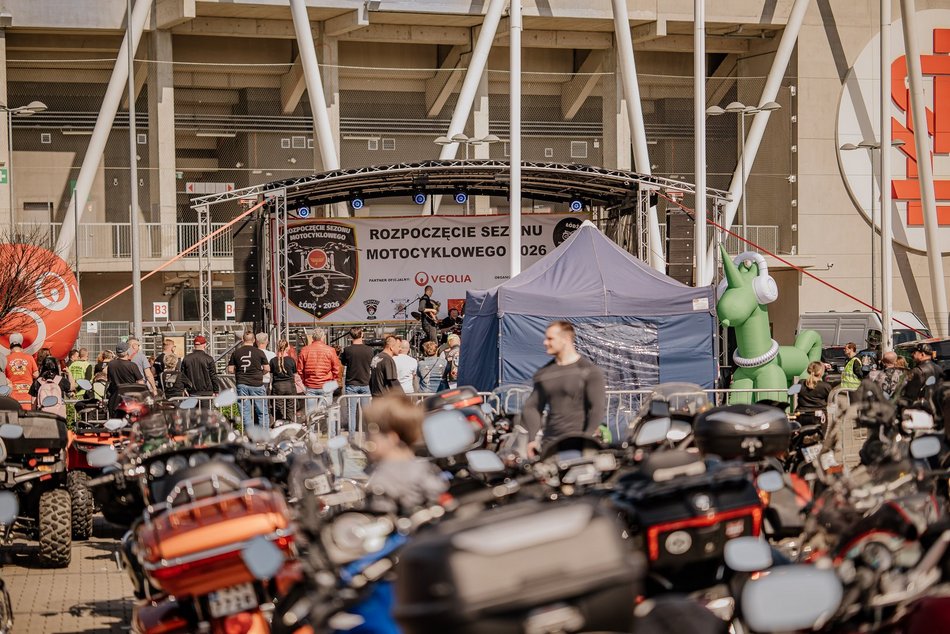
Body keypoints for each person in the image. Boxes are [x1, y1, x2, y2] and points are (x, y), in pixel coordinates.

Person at [522, 321, 606, 456]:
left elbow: (597, 407)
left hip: (579, 445)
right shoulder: (544, 374)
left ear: (566, 339)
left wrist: (587, 439)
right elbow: (531, 407)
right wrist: (532, 439)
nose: (545, 342)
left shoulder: (589, 371)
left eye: (550, 338)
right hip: (550, 446)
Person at [364, 395, 447, 513]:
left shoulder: (382, 479)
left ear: (390, 437)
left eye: (371, 430)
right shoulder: (426, 467)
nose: (367, 438)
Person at [228, 331, 271, 430]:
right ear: (254, 340)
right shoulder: (260, 352)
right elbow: (267, 368)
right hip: (257, 384)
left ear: (242, 340)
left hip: (242, 384)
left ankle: (250, 436)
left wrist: (239, 372)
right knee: (262, 412)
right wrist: (260, 373)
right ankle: (263, 436)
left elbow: (230, 370)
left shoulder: (236, 353)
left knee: (245, 412)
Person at [297, 327, 342, 418]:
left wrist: (305, 380)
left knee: (311, 414)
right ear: (323, 337)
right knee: (327, 413)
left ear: (312, 338)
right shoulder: (330, 350)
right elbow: (337, 369)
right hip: (326, 384)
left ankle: (311, 432)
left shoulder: (304, 350)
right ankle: (328, 431)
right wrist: (334, 381)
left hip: (310, 385)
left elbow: (300, 370)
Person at [340, 327, 374, 433]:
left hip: (351, 383)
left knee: (351, 411)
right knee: (367, 412)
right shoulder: (369, 350)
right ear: (362, 335)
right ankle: (369, 434)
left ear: (350, 336)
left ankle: (351, 437)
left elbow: (343, 362)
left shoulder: (347, 350)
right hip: (365, 383)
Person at [106, 341, 144, 418]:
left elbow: (109, 380)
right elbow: (141, 383)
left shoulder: (111, 364)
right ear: (127, 352)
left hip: (115, 398)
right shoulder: (132, 365)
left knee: (115, 424)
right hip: (129, 400)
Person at [181, 335, 219, 407]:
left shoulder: (187, 359)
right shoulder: (209, 359)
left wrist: (184, 388)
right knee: (205, 416)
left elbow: (183, 376)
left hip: (191, 392)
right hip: (206, 393)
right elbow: (213, 376)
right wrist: (216, 390)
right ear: (204, 345)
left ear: (194, 345)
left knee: (193, 416)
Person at [5, 333, 38, 410]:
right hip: (28, 394)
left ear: (10, 349)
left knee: (15, 417)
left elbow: (3, 377)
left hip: (13, 396)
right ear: (21, 348)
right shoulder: (29, 357)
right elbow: (36, 374)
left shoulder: (6, 359)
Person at [270, 339, 298, 422]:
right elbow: (295, 374)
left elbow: (271, 374)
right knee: (291, 408)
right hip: (290, 386)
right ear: (287, 348)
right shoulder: (291, 360)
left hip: (277, 386)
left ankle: (279, 426)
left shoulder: (273, 360)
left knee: (278, 409)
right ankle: (291, 425)